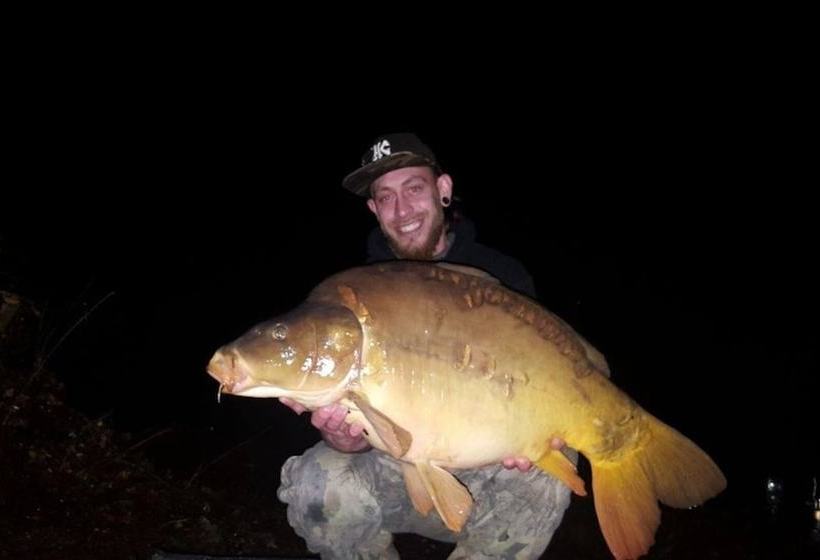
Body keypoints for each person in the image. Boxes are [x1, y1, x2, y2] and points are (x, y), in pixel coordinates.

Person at [277, 133, 572, 559]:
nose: (402, 211)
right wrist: (345, 436)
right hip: (401, 474)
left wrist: (532, 437)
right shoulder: (354, 297)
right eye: (386, 197)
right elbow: (368, 434)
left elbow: (543, 383)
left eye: (414, 188)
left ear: (443, 189)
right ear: (374, 209)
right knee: (315, 482)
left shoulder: (503, 278)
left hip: (485, 478)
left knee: (550, 475)